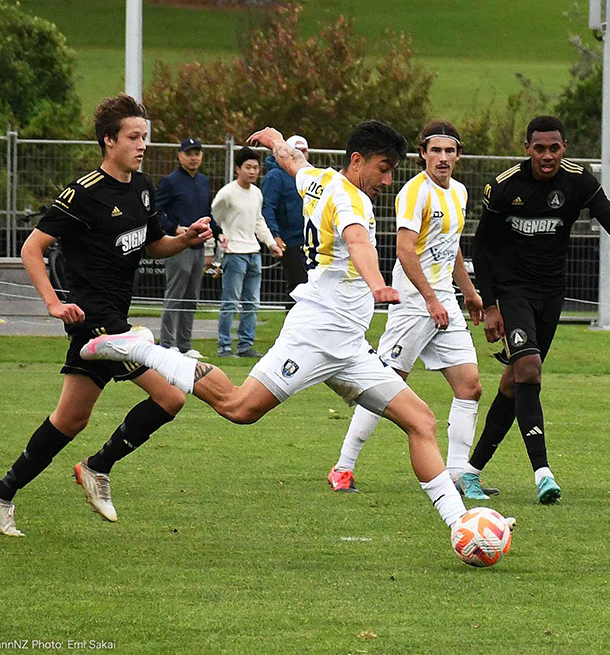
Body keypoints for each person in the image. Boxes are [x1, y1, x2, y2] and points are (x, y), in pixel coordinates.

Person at [80, 120, 494, 536]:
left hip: (349, 346)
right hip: (313, 334)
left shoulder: (322, 181)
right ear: (357, 161)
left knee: (420, 420)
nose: (387, 180)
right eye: (383, 169)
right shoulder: (351, 201)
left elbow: (294, 162)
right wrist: (378, 286)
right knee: (240, 408)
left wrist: (275, 139)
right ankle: (140, 348)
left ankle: (460, 525)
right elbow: (358, 243)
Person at [0, 94, 212, 536]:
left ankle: (0, 495)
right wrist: (51, 301)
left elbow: (153, 244)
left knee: (70, 420)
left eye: (145, 136)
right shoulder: (82, 193)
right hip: (98, 323)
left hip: (113, 319)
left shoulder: (142, 187)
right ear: (109, 140)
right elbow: (32, 248)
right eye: (133, 137)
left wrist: (185, 240)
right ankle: (97, 467)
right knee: (171, 396)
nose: (142, 145)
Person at [457, 115, 610, 504]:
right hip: (512, 292)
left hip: (551, 294)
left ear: (564, 148)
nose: (547, 156)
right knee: (529, 368)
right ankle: (543, 474)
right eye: (539, 148)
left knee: (516, 382)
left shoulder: (578, 180)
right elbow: (482, 248)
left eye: (554, 148)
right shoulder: (503, 186)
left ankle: (471, 473)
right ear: (527, 148)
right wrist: (491, 305)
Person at [327, 121, 487, 494]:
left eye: (450, 151)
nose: (443, 158)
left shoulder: (459, 193)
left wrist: (469, 292)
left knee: (470, 386)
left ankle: (460, 473)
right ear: (423, 155)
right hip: (414, 303)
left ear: (458, 155)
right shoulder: (415, 192)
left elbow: (452, 247)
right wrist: (430, 299)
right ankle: (343, 467)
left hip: (443, 301)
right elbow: (404, 250)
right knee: (384, 385)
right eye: (435, 151)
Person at [211, 147, 283, 358]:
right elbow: (216, 218)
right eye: (248, 167)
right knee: (230, 302)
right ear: (237, 169)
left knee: (252, 302)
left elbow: (259, 222)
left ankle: (245, 345)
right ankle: (224, 347)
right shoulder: (227, 193)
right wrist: (221, 240)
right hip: (234, 254)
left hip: (254, 252)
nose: (252, 172)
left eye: (255, 168)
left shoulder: (257, 193)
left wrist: (271, 244)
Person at [157, 136, 217, 359]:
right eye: (189, 153)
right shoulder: (170, 181)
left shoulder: (203, 181)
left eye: (197, 153)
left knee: (191, 296)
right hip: (178, 246)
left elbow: (207, 212)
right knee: (175, 294)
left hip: (198, 246)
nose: (193, 158)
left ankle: (184, 344)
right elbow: (156, 211)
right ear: (180, 156)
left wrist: (219, 233)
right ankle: (167, 342)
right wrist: (174, 228)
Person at [262, 134, 309, 300]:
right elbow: (267, 207)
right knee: (297, 286)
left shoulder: (308, 176)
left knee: (308, 287)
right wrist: (275, 235)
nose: (302, 155)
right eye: (298, 151)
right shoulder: (275, 176)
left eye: (304, 151)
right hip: (289, 240)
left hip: (307, 241)